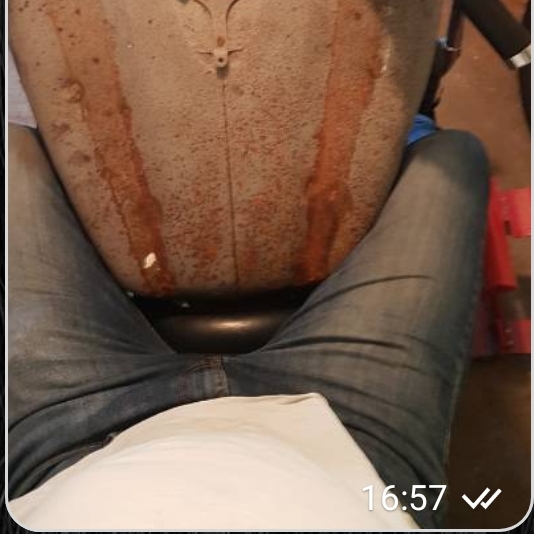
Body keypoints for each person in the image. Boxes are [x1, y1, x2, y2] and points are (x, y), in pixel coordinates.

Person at [8, 118, 489, 531]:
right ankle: (411, 123)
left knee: (13, 148)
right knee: (451, 155)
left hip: (73, 442)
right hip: (349, 451)